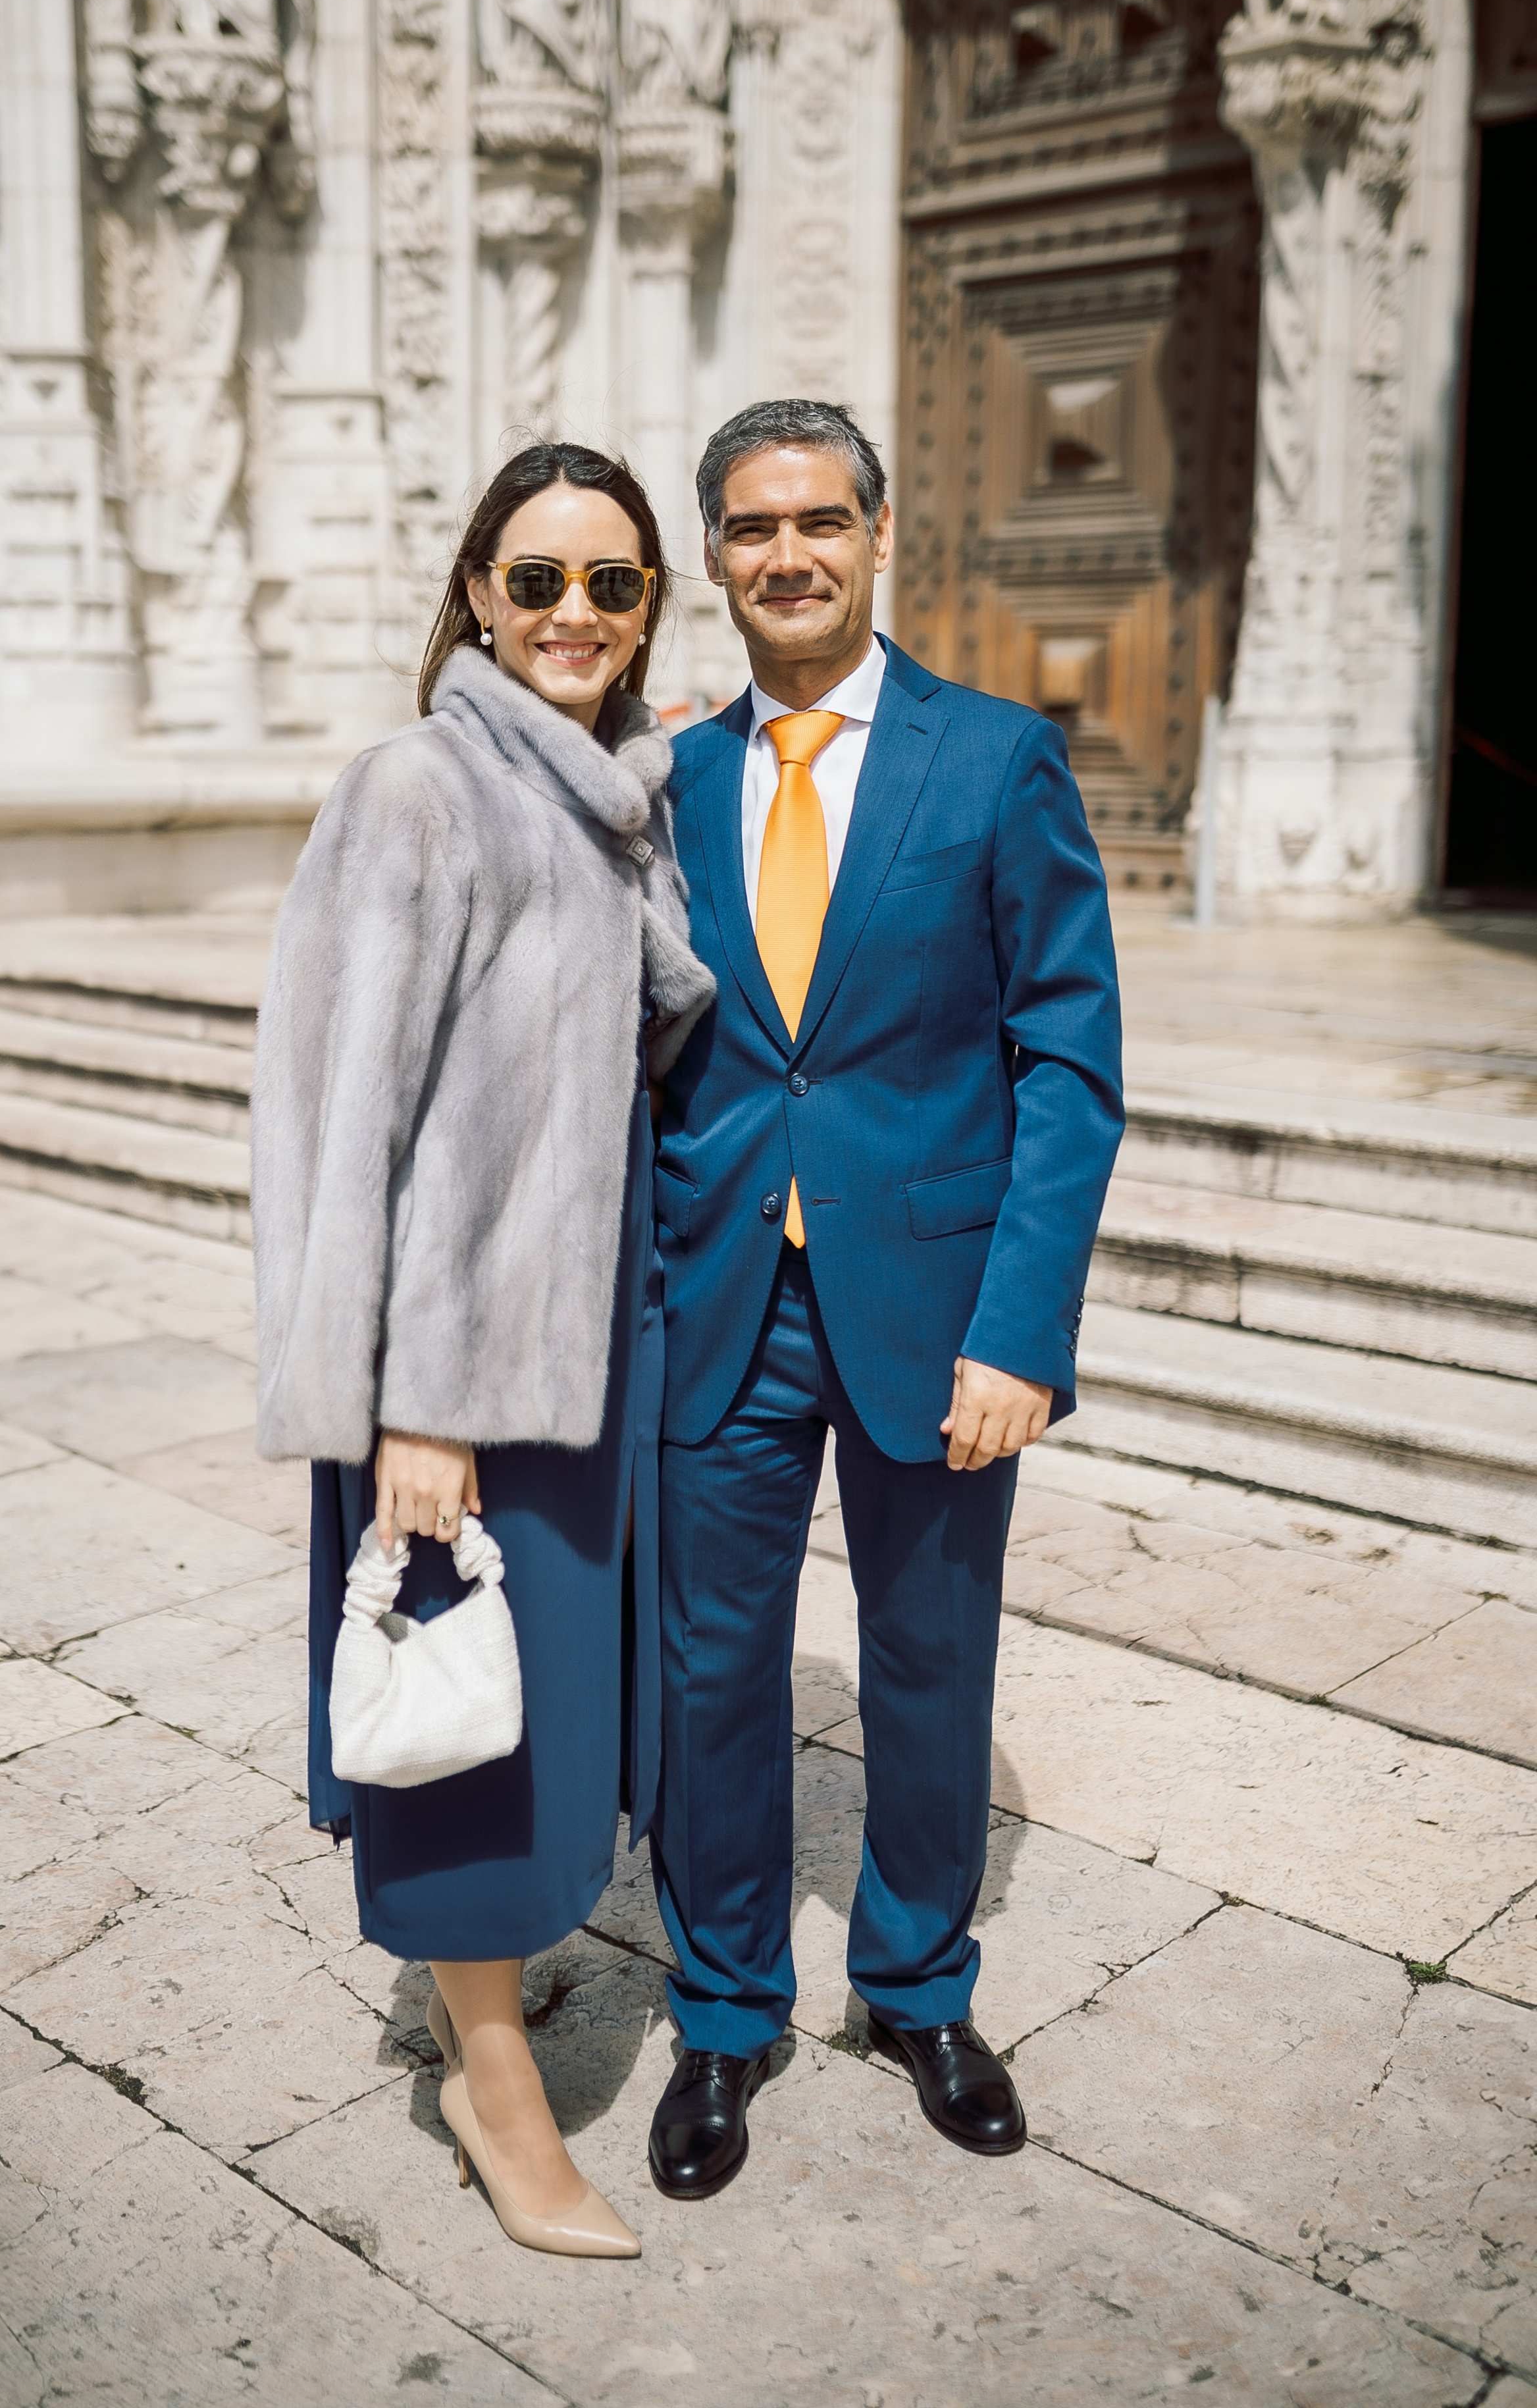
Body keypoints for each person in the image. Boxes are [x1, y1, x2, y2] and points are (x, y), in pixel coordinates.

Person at [646, 399, 1124, 2197]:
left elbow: (1067, 1060)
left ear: (877, 530)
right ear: (716, 555)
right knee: (712, 1672)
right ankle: (722, 2010)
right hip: (719, 1304)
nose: (789, 556)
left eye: (820, 522)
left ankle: (920, 1988)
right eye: (754, 529)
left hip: (937, 1315)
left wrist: (1024, 1326)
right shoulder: (667, 780)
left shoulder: (993, 760)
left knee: (930, 1660)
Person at [251, 442, 714, 2258]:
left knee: (555, 1706)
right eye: (539, 582)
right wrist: (408, 1412)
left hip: (599, 1340)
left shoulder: (610, 800)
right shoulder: (419, 788)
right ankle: (497, 2095)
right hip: (459, 1371)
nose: (577, 615)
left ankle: (492, 1995)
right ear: (475, 598)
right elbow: (338, 1117)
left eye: (614, 583)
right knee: (465, 1730)